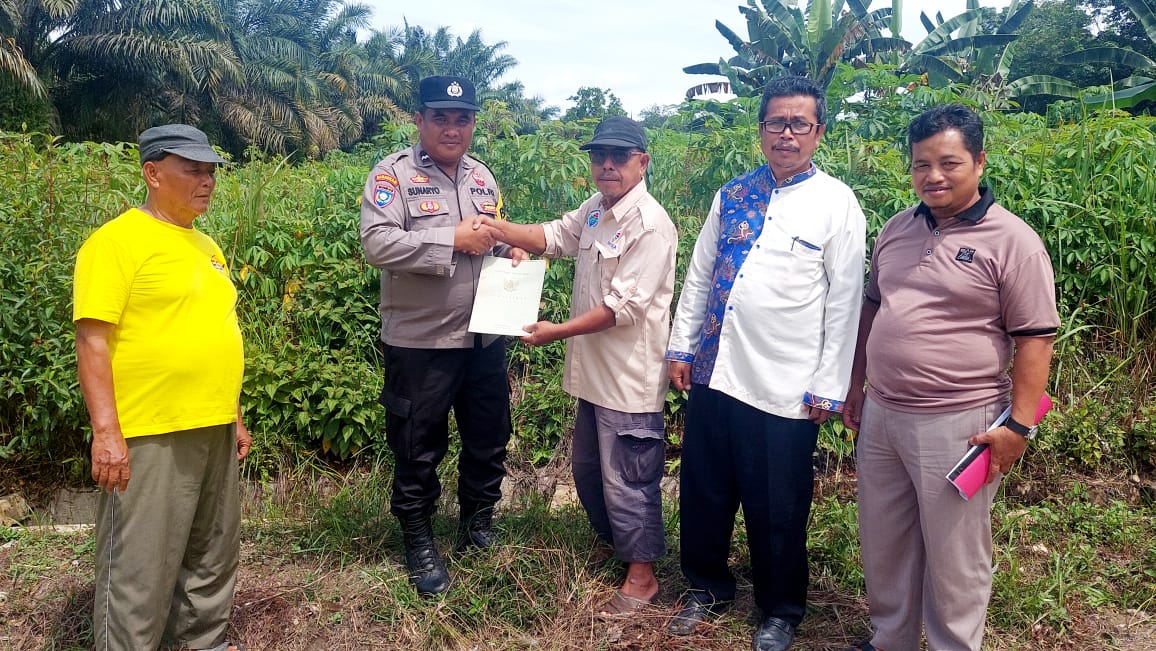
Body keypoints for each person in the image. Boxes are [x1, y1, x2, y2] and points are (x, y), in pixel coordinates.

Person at [840, 104, 1059, 651]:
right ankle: (890, 640)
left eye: (948, 163)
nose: (933, 176)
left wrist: (1019, 427)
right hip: (885, 414)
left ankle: (953, 645)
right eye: (920, 165)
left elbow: (1036, 338)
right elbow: (872, 309)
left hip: (960, 421)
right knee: (884, 542)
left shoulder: (1013, 241)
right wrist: (856, 387)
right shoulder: (897, 228)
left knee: (955, 555)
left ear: (980, 162)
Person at [665, 75, 867, 651]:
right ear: (760, 130)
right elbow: (700, 274)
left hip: (786, 385)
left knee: (778, 504)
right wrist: (681, 348)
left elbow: (846, 298)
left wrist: (831, 384)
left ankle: (779, 609)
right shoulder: (732, 194)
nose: (786, 133)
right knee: (704, 489)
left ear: (818, 132)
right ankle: (706, 586)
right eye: (776, 122)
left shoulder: (836, 202)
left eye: (799, 123)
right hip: (715, 370)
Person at [477, 116, 678, 616]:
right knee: (589, 472)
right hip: (593, 376)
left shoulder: (650, 226)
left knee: (630, 477)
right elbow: (552, 236)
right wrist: (498, 230)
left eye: (619, 156)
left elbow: (619, 309)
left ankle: (643, 577)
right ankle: (621, 548)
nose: (606, 165)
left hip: (629, 379)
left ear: (642, 162)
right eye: (598, 156)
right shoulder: (596, 210)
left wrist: (553, 332)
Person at [74, 124, 250, 651]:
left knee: (211, 558)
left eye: (211, 171)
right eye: (191, 169)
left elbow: (216, 329)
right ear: (152, 174)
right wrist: (106, 433)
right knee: (139, 571)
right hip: (150, 431)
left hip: (212, 426)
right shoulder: (117, 242)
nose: (206, 181)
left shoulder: (206, 246)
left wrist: (234, 414)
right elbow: (92, 341)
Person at [359, 75, 523, 596]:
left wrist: (508, 250)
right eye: (441, 118)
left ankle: (477, 522)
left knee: (489, 436)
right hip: (421, 341)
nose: (453, 128)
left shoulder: (482, 177)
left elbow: (489, 239)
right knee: (418, 446)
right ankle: (419, 538)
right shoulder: (393, 176)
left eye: (463, 118)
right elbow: (378, 243)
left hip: (484, 337)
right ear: (420, 120)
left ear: (473, 122)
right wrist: (449, 238)